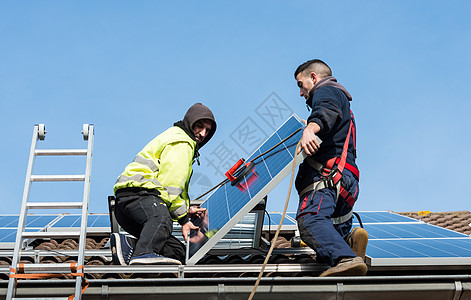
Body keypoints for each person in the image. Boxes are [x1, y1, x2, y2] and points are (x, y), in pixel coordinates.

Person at [110, 103, 216, 265]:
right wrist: (183, 219)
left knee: (177, 251)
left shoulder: (179, 139)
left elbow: (168, 189)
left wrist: (186, 212)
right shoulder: (183, 142)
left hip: (129, 206)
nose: (202, 133)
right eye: (199, 126)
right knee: (162, 219)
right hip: (138, 195)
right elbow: (170, 185)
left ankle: (129, 246)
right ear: (190, 122)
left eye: (207, 131)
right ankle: (144, 253)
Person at [294, 59, 368, 276]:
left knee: (310, 221)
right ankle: (348, 240)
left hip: (326, 177)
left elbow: (325, 111)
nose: (300, 92)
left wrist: (310, 129)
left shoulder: (326, 91)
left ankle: (345, 257)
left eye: (301, 84)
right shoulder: (341, 98)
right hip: (346, 183)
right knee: (331, 228)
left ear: (314, 78)